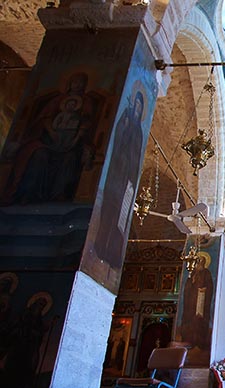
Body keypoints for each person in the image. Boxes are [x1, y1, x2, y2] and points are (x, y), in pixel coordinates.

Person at [3, 72, 97, 204]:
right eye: (75, 81)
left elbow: (87, 122)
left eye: (81, 82)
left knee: (69, 159)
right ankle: (27, 193)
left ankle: (59, 195)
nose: (78, 85)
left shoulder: (86, 102)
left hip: (72, 143)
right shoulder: (57, 100)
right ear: (69, 83)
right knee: (38, 155)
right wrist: (52, 132)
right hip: (49, 140)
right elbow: (44, 118)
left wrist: (76, 137)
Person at [93, 90, 145, 269]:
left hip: (128, 180)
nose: (137, 109)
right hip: (115, 175)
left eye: (140, 106)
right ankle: (100, 246)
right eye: (136, 105)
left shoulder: (138, 131)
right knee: (108, 212)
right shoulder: (125, 120)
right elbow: (117, 139)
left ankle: (113, 254)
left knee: (121, 219)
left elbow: (136, 157)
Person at [181, 254, 214, 351]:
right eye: (198, 261)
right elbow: (187, 286)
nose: (199, 263)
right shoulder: (192, 272)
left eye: (200, 261)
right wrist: (192, 282)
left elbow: (210, 286)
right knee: (190, 318)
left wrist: (204, 289)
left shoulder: (206, 273)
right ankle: (188, 341)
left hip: (202, 299)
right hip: (191, 300)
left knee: (201, 319)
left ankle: (201, 342)